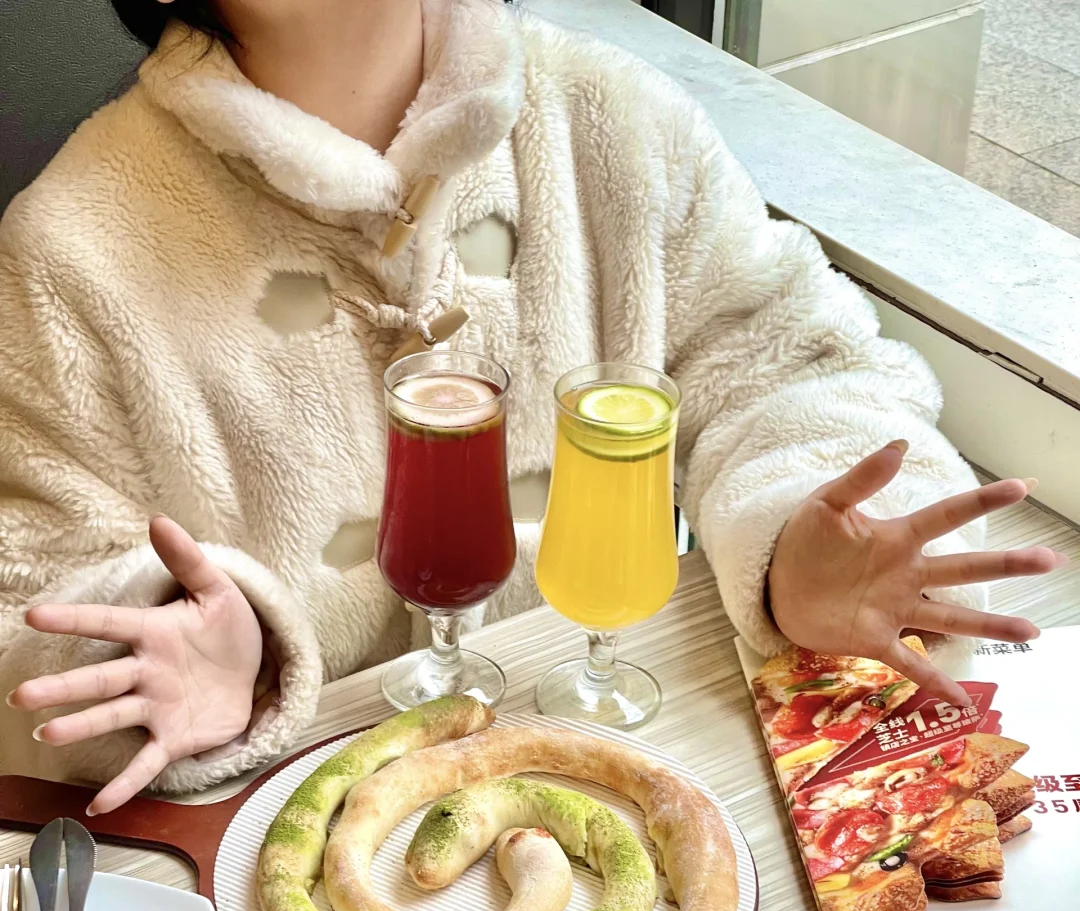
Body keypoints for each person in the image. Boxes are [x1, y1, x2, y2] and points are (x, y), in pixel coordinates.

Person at [0, 0, 1063, 815]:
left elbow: (789, 358)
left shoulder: (614, 120)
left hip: (646, 769)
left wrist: (799, 536)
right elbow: (33, 586)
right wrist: (188, 655)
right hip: (293, 839)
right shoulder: (73, 247)